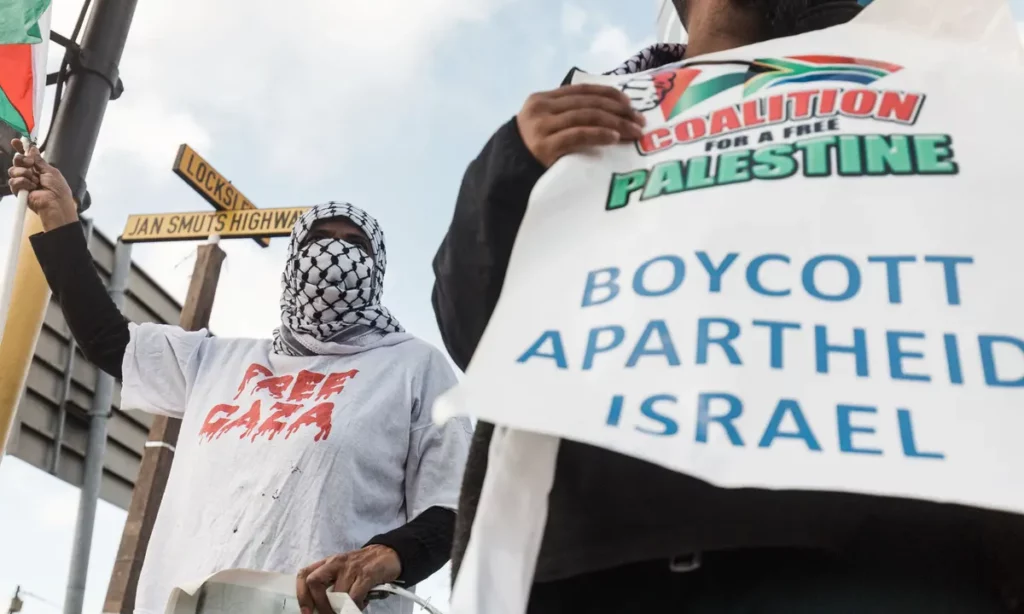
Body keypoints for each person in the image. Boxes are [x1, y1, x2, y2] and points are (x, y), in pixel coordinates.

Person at [432, 0, 1024, 612]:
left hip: (877, 555)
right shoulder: (580, 124)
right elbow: (477, 335)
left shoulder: (928, 85)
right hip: (596, 564)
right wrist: (514, 166)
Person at [7, 140, 472, 614]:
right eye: (318, 239)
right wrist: (61, 222)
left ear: (378, 268)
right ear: (293, 259)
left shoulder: (413, 367)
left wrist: (391, 554)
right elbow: (106, 339)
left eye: (355, 244)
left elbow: (456, 503)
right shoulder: (215, 361)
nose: (334, 252)